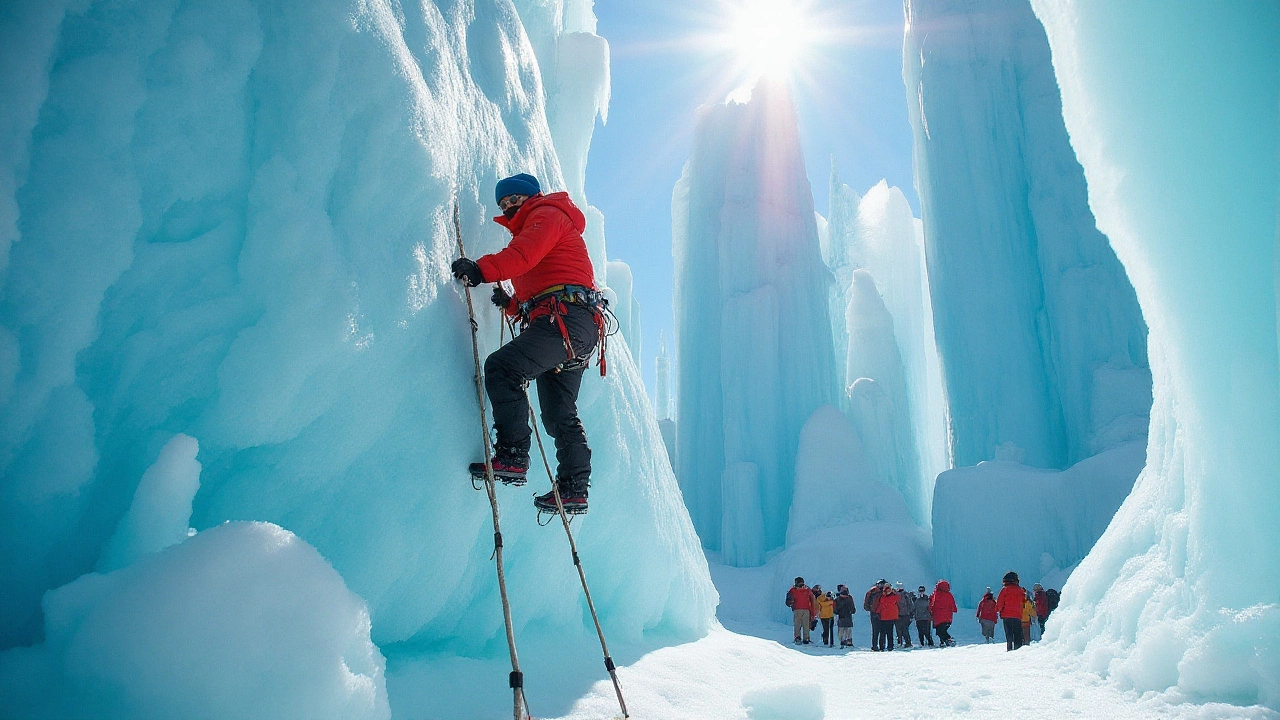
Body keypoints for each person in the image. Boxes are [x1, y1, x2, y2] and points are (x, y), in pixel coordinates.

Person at [453, 174, 604, 515]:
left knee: (503, 367)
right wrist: (510, 305)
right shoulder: (542, 221)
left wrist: (480, 269)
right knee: (558, 413)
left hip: (566, 321)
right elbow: (548, 280)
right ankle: (574, 488)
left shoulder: (547, 215)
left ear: (531, 196)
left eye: (513, 199)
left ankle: (513, 454)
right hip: (572, 324)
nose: (509, 207)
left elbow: (523, 255)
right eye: (504, 205)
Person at [996, 571, 1027, 650]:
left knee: (1009, 633)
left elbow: (1000, 602)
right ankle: (1018, 648)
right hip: (1017, 615)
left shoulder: (1005, 590)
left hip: (1006, 615)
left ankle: (1009, 648)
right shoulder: (1020, 590)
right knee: (1017, 633)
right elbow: (1024, 601)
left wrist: (997, 610)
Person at [785, 577, 815, 644]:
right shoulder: (807, 589)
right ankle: (806, 638)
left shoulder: (793, 589)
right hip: (806, 609)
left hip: (797, 609)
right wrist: (812, 611)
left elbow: (789, 596)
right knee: (806, 624)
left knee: (797, 624)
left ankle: (797, 638)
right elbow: (812, 599)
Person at [930, 580, 958, 647]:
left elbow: (933, 605)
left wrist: (931, 611)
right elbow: (953, 606)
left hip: (939, 617)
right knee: (942, 630)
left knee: (940, 631)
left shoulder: (937, 594)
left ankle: (948, 640)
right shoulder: (949, 595)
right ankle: (945, 641)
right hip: (948, 618)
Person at [877, 583, 900, 651]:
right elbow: (898, 598)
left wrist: (877, 612)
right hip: (889, 617)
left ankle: (882, 646)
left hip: (884, 617)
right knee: (889, 633)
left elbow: (881, 606)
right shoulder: (894, 597)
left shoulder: (882, 597)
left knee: (883, 633)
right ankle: (889, 646)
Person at [864, 580, 886, 650]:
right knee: (883, 631)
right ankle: (882, 646)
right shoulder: (886, 592)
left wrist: (870, 609)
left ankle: (875, 646)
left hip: (873, 613)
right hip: (883, 613)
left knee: (875, 631)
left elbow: (866, 604)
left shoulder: (872, 591)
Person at [895, 582, 914, 648]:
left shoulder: (904, 595)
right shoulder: (905, 594)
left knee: (902, 629)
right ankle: (903, 642)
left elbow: (910, 605)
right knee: (902, 630)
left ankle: (904, 642)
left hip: (902, 615)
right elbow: (910, 605)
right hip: (902, 614)